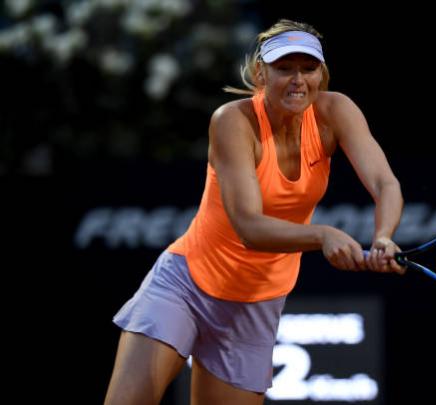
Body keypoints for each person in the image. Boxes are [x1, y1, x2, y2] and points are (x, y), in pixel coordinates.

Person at [104, 19, 405, 405]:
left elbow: (386, 184)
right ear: (261, 73)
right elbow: (248, 226)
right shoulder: (232, 120)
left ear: (321, 73)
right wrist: (322, 235)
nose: (298, 80)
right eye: (284, 69)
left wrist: (383, 236)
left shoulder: (338, 111)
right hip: (186, 284)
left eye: (308, 68)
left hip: (255, 304)